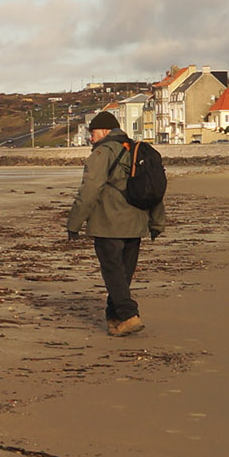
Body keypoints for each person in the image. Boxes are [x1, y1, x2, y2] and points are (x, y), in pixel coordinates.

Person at [66, 111, 165, 336]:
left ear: (105, 131)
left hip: (108, 223)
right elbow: (155, 190)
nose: (90, 137)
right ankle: (114, 317)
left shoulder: (103, 153)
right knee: (122, 275)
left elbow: (89, 190)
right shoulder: (137, 150)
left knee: (113, 272)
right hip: (136, 223)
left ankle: (129, 315)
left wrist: (74, 223)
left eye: (92, 132)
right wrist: (156, 222)